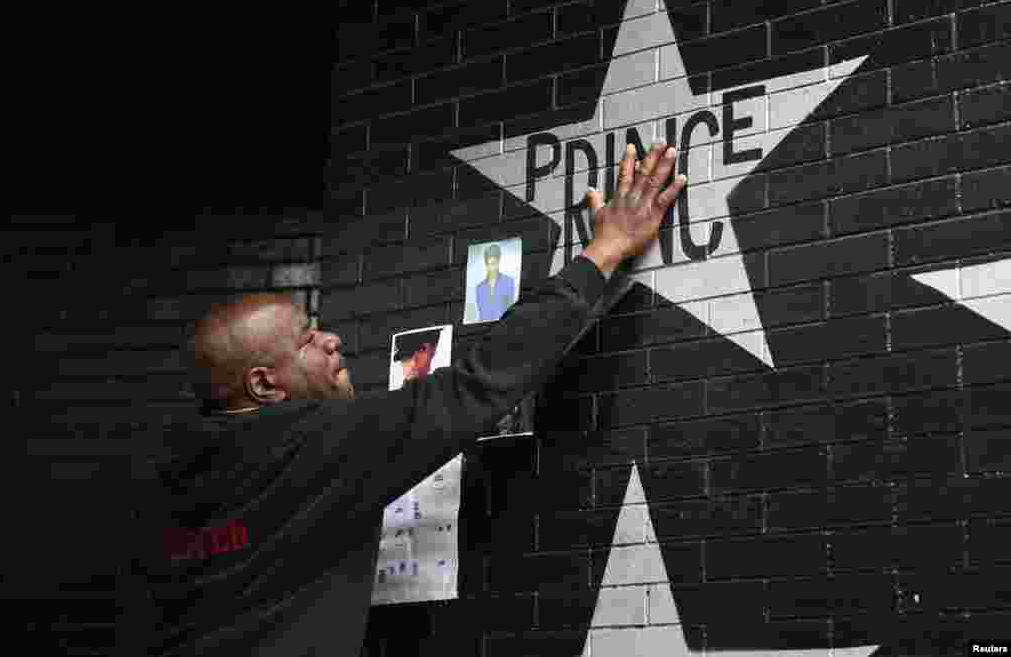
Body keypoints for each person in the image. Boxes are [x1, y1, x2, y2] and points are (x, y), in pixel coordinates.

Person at [116, 142, 686, 656]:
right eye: (307, 340)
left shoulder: (164, 473)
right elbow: (475, 383)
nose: (331, 339)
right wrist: (605, 250)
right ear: (264, 385)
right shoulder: (309, 444)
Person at [474, 243, 516, 321]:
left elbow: (511, 311)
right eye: (488, 264)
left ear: (498, 262)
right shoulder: (479, 288)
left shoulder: (509, 282)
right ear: (485, 264)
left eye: (493, 263)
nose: (491, 268)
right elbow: (482, 314)